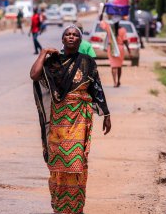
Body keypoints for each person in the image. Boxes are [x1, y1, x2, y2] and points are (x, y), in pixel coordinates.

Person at [30, 25, 111, 214]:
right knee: (58, 165)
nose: (71, 37)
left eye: (75, 35)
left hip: (80, 118)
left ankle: (76, 207)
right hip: (59, 120)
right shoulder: (53, 62)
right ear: (63, 39)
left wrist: (106, 114)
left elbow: (96, 89)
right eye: (68, 34)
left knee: (76, 163)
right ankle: (60, 206)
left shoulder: (88, 62)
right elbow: (34, 74)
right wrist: (42, 53)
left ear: (80, 40)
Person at [100, 15, 131, 87]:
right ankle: (119, 81)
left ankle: (114, 82)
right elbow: (125, 41)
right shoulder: (123, 30)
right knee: (119, 66)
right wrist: (129, 51)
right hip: (120, 48)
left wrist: (101, 15)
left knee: (113, 66)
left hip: (112, 48)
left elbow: (101, 23)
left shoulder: (109, 28)